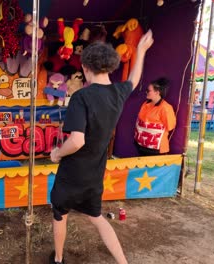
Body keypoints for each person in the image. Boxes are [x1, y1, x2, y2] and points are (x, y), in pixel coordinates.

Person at [49, 29, 154, 264]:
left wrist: (57, 154)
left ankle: (57, 259)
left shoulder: (81, 97)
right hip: (95, 172)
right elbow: (133, 80)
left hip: (72, 173)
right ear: (111, 66)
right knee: (97, 217)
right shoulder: (118, 92)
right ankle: (123, 262)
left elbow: (76, 141)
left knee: (60, 215)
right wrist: (141, 50)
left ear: (86, 68)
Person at [134, 77, 176, 156]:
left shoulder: (166, 108)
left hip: (156, 150)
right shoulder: (145, 104)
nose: (146, 92)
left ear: (157, 92)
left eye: (148, 91)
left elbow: (170, 126)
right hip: (141, 146)